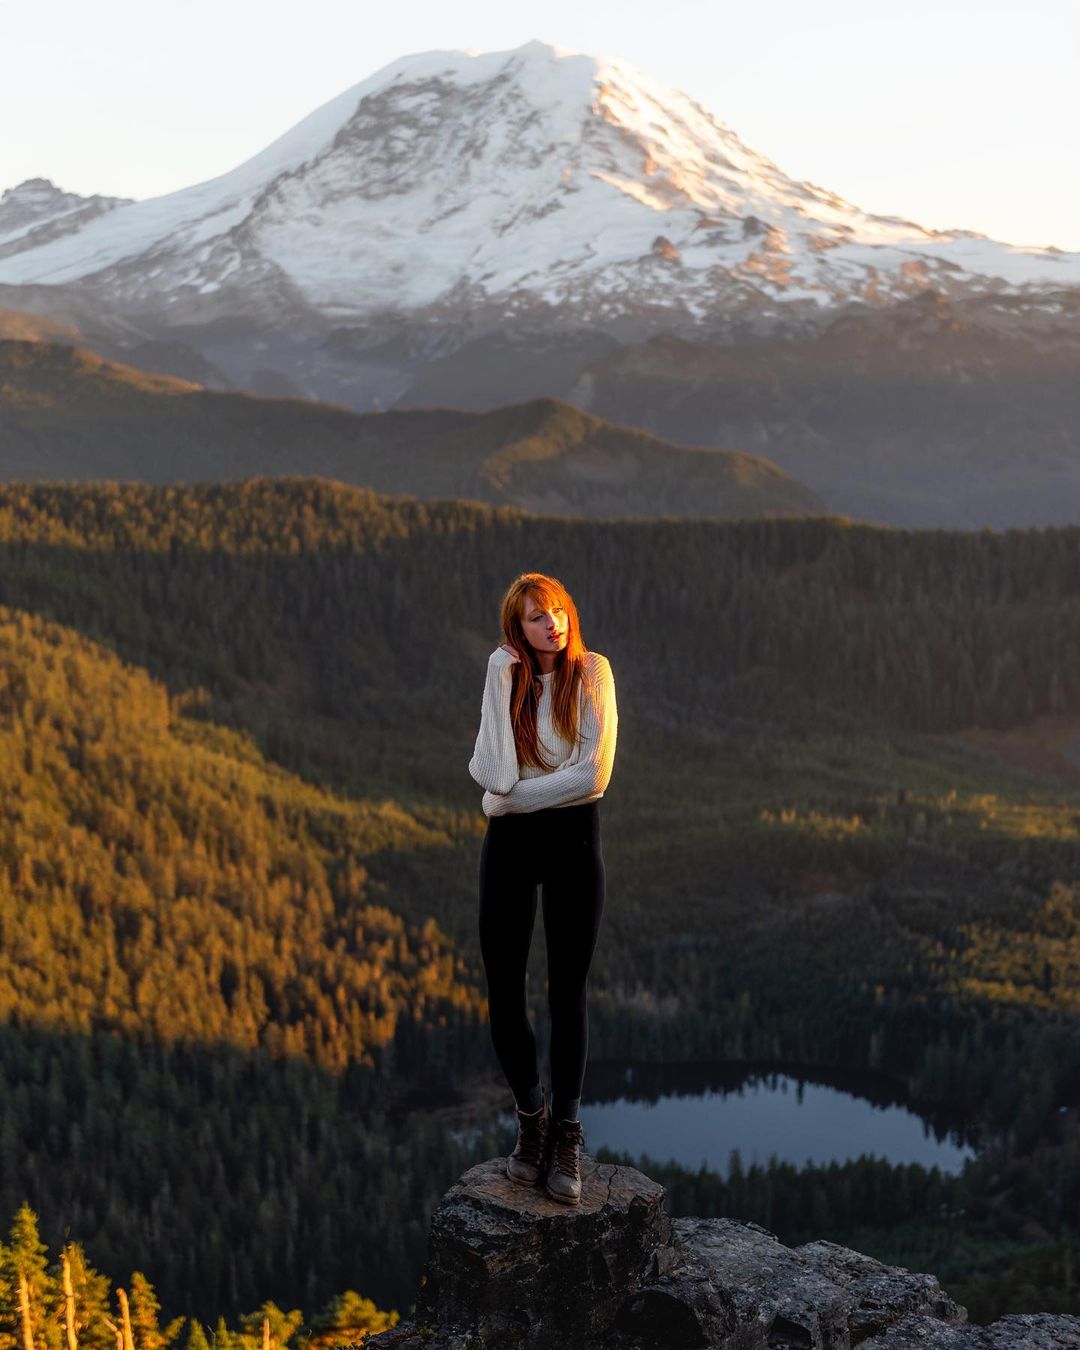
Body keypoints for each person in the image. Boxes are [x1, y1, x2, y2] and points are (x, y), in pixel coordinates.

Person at [468, 571, 618, 1205]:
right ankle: (532, 1120)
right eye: (534, 616)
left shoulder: (594, 674)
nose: (550, 623)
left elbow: (594, 776)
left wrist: (510, 803)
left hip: (574, 846)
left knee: (567, 993)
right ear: (516, 628)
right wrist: (499, 678)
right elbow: (495, 768)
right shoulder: (506, 679)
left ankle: (567, 1134)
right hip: (510, 851)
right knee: (503, 991)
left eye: (556, 610)